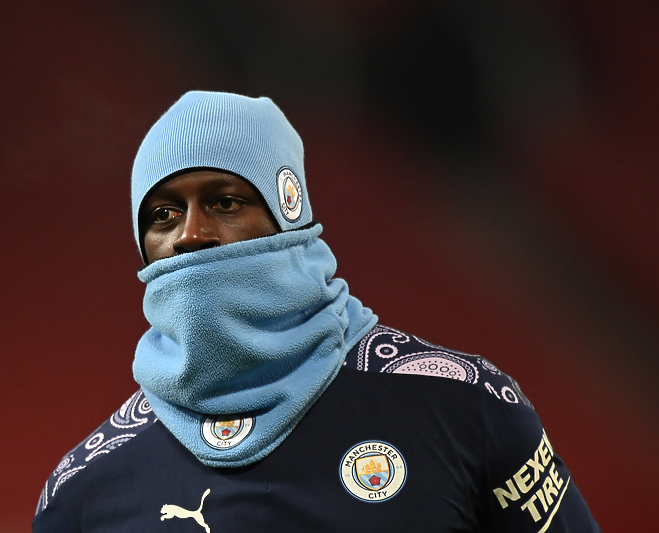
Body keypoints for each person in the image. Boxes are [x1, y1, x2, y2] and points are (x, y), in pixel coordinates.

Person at [33, 91, 601, 532]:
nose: (191, 234)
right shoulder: (85, 491)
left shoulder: (465, 406)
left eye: (225, 202)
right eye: (162, 214)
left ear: (289, 211)